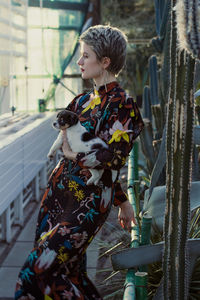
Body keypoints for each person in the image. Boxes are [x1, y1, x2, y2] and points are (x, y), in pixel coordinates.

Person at [15, 24, 144, 300]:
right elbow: (103, 159)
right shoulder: (81, 101)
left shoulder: (123, 105)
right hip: (56, 199)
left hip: (85, 205)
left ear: (105, 61)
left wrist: (74, 155)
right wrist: (123, 200)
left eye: (86, 55)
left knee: (37, 271)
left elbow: (115, 157)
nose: (79, 61)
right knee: (68, 273)